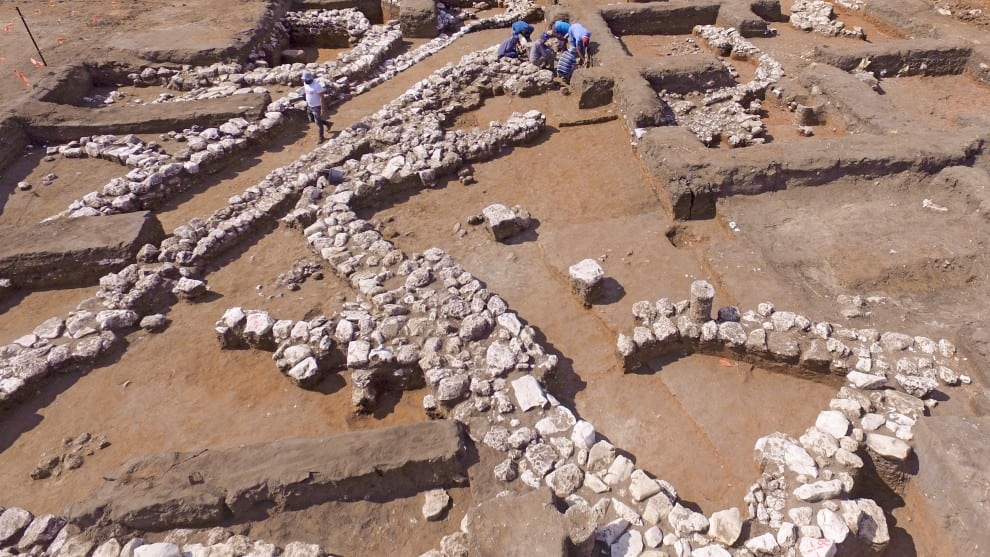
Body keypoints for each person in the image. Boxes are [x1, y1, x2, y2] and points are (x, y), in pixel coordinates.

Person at [300, 70, 330, 143]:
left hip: (317, 107)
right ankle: (327, 123)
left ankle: (321, 137)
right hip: (309, 105)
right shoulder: (305, 83)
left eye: (304, 79)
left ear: (308, 79)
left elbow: (322, 97)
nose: (303, 80)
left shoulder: (317, 86)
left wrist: (322, 109)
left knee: (318, 123)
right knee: (311, 119)